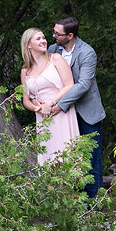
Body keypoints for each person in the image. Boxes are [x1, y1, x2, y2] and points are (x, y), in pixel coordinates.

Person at [48, 16, 105, 198]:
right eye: (54, 31)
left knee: (91, 158)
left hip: (86, 112)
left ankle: (93, 204)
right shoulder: (52, 50)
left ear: (70, 35)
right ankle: (73, 202)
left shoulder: (87, 52)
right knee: (68, 157)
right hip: (63, 116)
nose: (54, 35)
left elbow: (83, 85)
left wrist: (60, 104)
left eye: (58, 33)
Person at [20, 27, 80, 165]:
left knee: (65, 155)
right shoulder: (25, 70)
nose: (44, 41)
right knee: (49, 158)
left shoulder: (55, 59)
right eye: (38, 39)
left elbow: (69, 85)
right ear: (29, 44)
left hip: (60, 112)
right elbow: (26, 99)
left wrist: (50, 103)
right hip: (43, 117)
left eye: (43, 38)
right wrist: (38, 109)